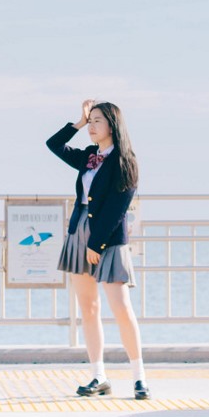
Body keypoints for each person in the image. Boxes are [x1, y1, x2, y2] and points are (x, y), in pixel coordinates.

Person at [46, 99, 150, 400]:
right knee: (88, 309)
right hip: (78, 233)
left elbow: (119, 206)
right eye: (89, 121)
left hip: (108, 239)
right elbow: (54, 145)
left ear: (112, 125)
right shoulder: (90, 156)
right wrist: (76, 124)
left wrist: (97, 244)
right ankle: (98, 376)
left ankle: (139, 377)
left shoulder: (125, 159)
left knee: (121, 306)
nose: (91, 126)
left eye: (96, 121)